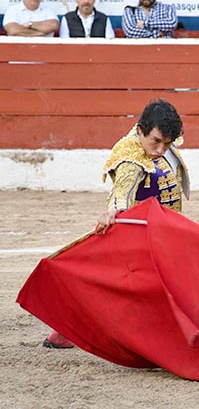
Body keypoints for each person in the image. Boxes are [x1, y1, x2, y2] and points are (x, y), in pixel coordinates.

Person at [43, 98, 190, 349]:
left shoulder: (161, 143)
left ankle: (71, 327)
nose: (160, 150)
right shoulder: (129, 155)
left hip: (162, 229)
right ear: (141, 130)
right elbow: (124, 188)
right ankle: (70, 328)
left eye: (167, 143)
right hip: (138, 233)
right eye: (155, 141)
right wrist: (113, 211)